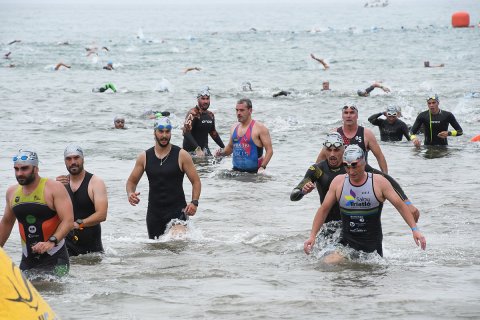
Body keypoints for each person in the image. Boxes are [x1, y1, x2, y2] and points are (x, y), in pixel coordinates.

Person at [304, 145, 426, 263]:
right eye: (346, 166)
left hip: (371, 249)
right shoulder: (338, 182)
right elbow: (324, 209)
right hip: (346, 244)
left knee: (370, 278)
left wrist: (415, 230)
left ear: (363, 162)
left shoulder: (378, 182)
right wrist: (312, 236)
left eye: (354, 166)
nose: (351, 171)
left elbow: (400, 206)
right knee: (328, 265)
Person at [291, 133, 419, 222]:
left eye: (336, 150)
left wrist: (407, 203)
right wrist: (302, 191)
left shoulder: (354, 166)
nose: (332, 154)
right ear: (324, 150)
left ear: (343, 149)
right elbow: (294, 195)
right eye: (329, 150)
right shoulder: (317, 170)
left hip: (353, 223)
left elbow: (386, 179)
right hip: (328, 225)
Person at [126, 117, 201, 239]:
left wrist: (194, 202)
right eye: (161, 131)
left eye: (167, 131)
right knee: (157, 253)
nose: (164, 135)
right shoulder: (144, 157)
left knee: (177, 240)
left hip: (178, 212)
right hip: (154, 215)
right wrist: (130, 193)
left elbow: (196, 181)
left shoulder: (181, 155)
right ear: (154, 132)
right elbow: (131, 181)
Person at [0, 150, 73, 275]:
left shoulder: (54, 188)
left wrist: (51, 242)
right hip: (28, 261)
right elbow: (7, 223)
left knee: (54, 293)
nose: (19, 173)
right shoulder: (12, 192)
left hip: (56, 258)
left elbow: (68, 220)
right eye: (16, 169)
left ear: (35, 169)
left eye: (24, 169)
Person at [56, 145, 108, 256]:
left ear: (83, 159)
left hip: (91, 250)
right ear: (65, 162)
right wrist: (55, 189)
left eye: (76, 158)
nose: (73, 162)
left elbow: (102, 215)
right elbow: (51, 214)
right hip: (66, 247)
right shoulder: (60, 184)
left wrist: (77, 224)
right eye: (68, 159)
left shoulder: (96, 183)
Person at [316, 105, 388, 173]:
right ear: (342, 116)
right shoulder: (335, 133)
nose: (348, 116)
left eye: (352, 113)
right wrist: (314, 179)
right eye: (346, 113)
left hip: (360, 175)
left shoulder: (366, 134)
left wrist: (385, 176)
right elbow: (321, 158)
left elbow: (379, 156)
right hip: (339, 175)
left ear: (357, 116)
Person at [216, 98, 273, 174]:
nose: (238, 113)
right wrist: (221, 153)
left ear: (250, 111)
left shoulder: (260, 128)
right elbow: (230, 147)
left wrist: (262, 167)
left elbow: (269, 151)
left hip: (254, 173)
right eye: (237, 110)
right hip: (235, 172)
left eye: (242, 110)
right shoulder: (233, 128)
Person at [182, 87, 225, 157]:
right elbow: (186, 132)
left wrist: (224, 148)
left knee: (216, 163)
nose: (205, 101)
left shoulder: (210, 115)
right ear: (198, 99)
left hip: (205, 151)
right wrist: (197, 149)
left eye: (207, 99)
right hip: (190, 152)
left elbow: (213, 133)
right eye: (203, 99)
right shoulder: (193, 113)